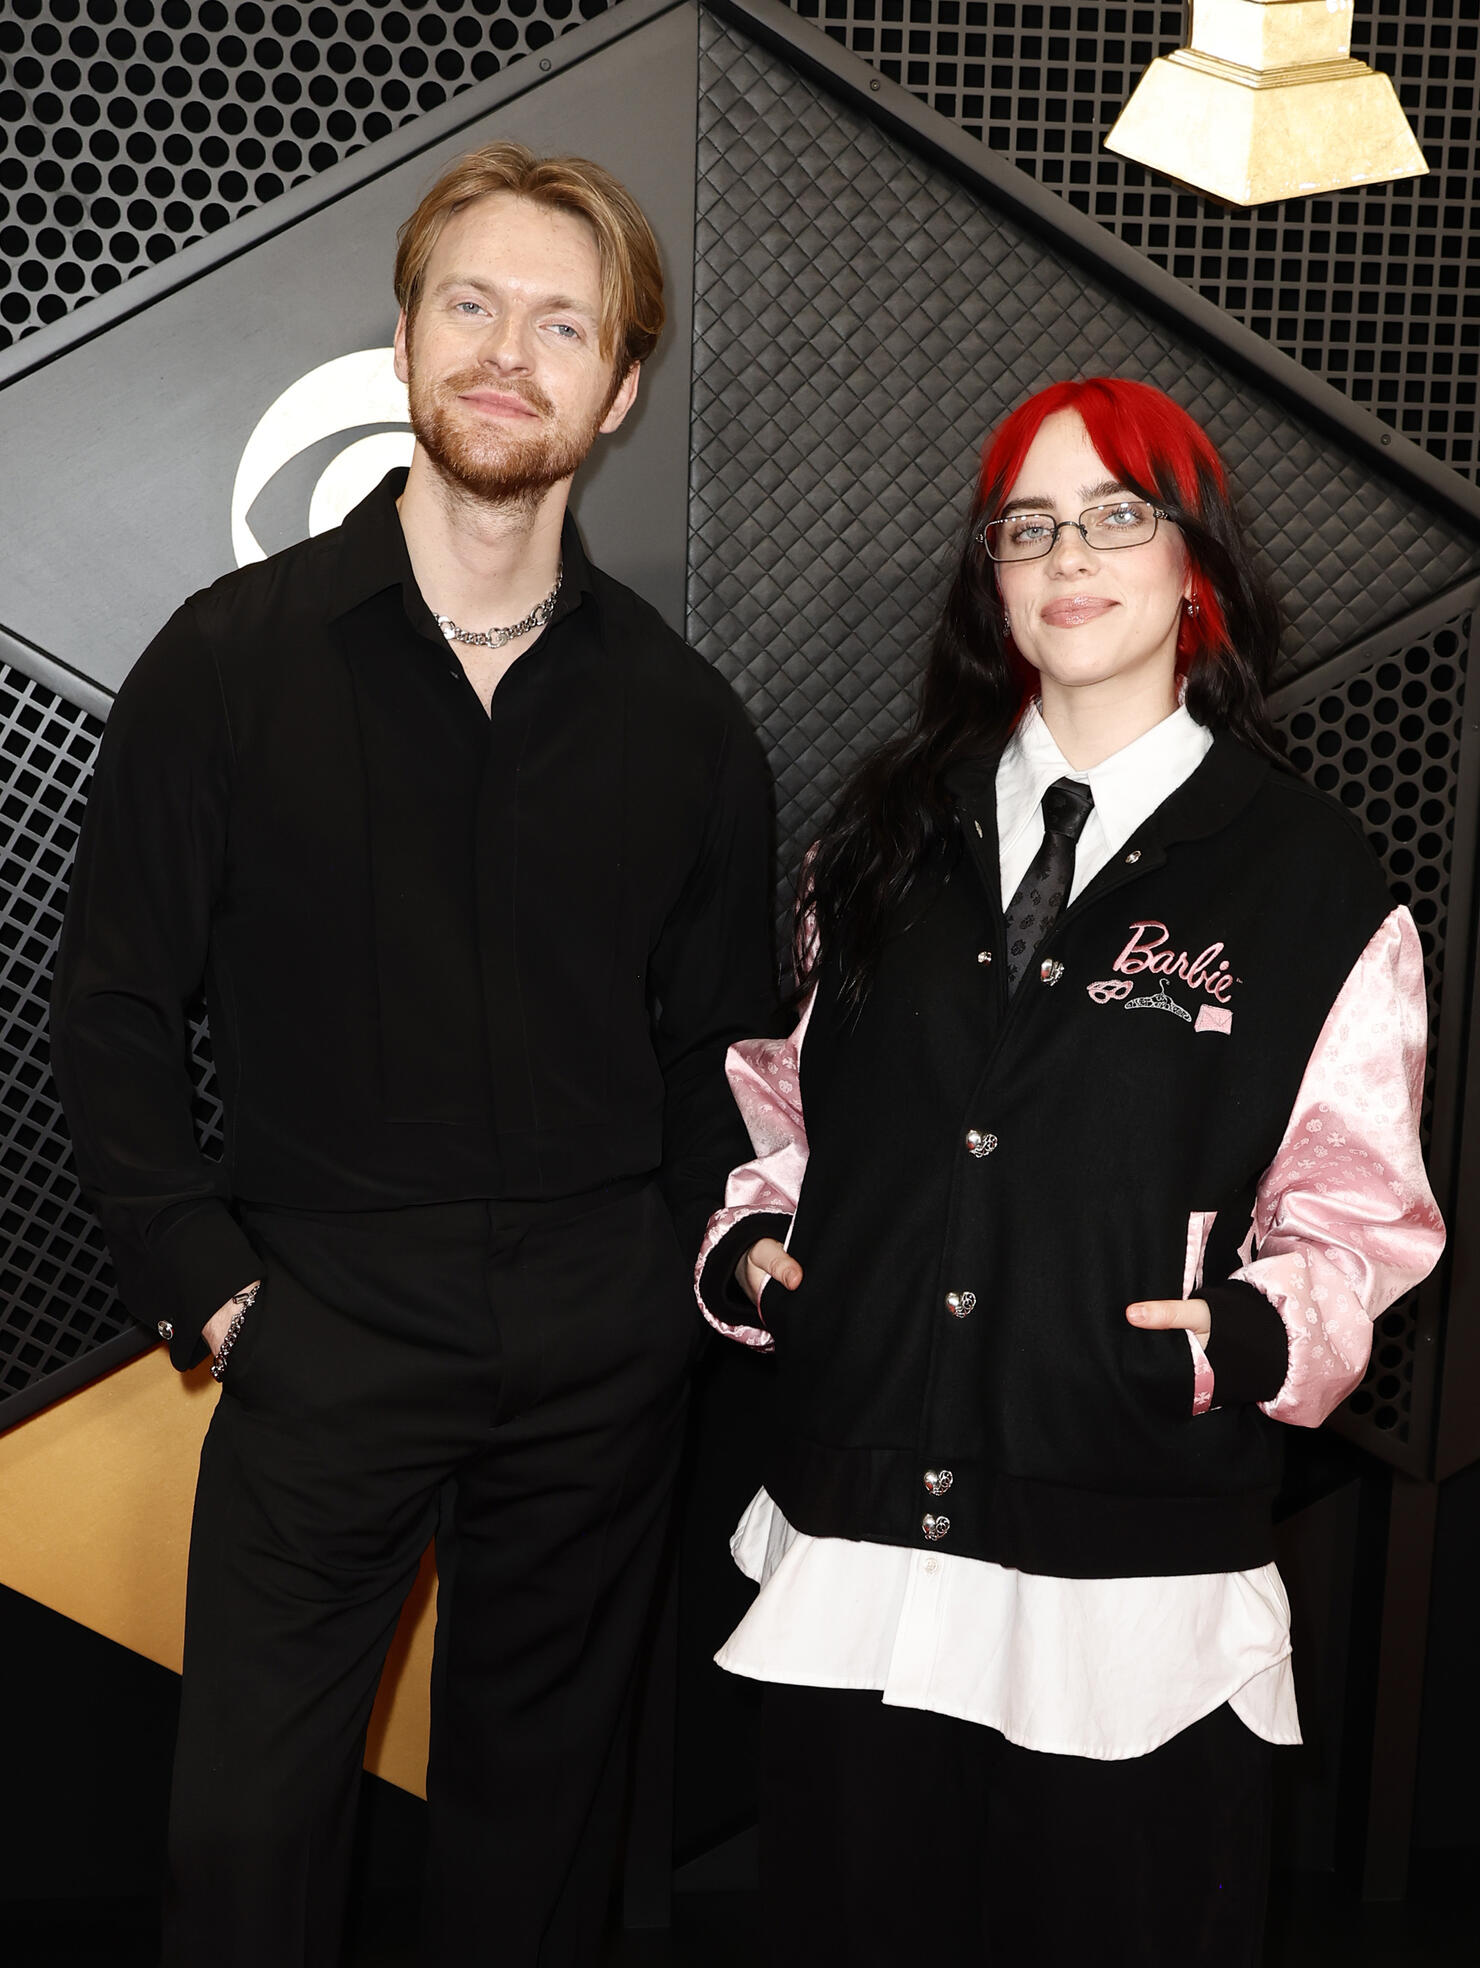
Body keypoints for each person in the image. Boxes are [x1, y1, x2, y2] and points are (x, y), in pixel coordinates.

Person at [51, 142, 773, 1968]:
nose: (507, 350)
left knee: (539, 1845)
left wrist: (672, 1294)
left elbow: (724, 1050)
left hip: (600, 1353)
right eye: (472, 303)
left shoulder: (687, 725)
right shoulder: (228, 666)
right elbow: (119, 1001)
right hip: (318, 1327)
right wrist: (211, 1287)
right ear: (403, 342)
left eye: (559, 321)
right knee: (244, 1843)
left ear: (614, 389)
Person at [695, 377, 1444, 1967]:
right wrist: (759, 1251)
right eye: (1026, 526)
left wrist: (1239, 1337)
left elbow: (1360, 1216)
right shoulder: (881, 837)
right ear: (992, 578)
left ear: (1197, 567)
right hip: (859, 1544)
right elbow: (796, 1116)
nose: (1068, 553)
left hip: (1131, 1575)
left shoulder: (1312, 882)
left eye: (1118, 512)